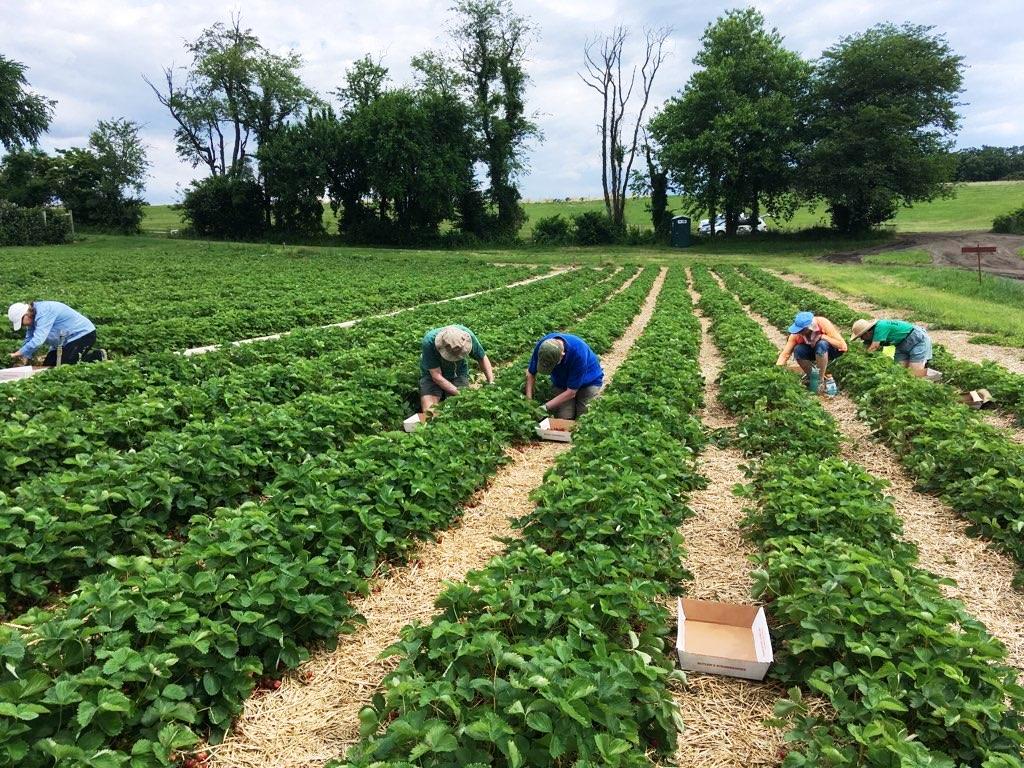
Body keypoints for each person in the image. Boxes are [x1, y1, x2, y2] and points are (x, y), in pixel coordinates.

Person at [526, 332, 604, 419]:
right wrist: (529, 400)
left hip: (589, 381)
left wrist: (544, 407)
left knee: (584, 417)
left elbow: (571, 392)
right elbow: (530, 373)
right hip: (562, 382)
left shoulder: (578, 353)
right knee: (564, 417)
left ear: (562, 355)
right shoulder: (543, 347)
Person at [419, 324, 493, 413]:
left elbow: (482, 358)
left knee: (460, 408)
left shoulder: (467, 336)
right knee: (429, 412)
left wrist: (491, 381)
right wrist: (461, 394)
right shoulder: (429, 342)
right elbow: (436, 376)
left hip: (458, 372)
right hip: (431, 375)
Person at [7, 301, 106, 367]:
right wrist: (25, 356)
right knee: (48, 367)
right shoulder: (33, 318)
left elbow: (38, 340)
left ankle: (97, 356)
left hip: (82, 335)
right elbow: (29, 338)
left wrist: (18, 353)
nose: (23, 325)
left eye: (21, 322)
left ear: (26, 314)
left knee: (65, 366)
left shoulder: (44, 312)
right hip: (62, 342)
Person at [775, 310, 848, 392]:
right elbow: (785, 354)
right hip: (812, 352)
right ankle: (813, 377)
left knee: (821, 344)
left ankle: (820, 381)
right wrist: (777, 370)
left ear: (809, 327)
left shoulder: (823, 323)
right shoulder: (796, 335)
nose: (799, 332)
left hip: (830, 351)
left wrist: (822, 336)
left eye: (802, 330)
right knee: (798, 350)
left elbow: (843, 346)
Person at [851, 318, 933, 377]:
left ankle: (931, 379)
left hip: (916, 339)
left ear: (866, 333)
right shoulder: (870, 337)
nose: (861, 339)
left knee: (915, 372)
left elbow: (874, 348)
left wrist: (861, 361)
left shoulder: (880, 327)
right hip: (901, 344)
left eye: (861, 337)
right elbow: (866, 350)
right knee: (899, 371)